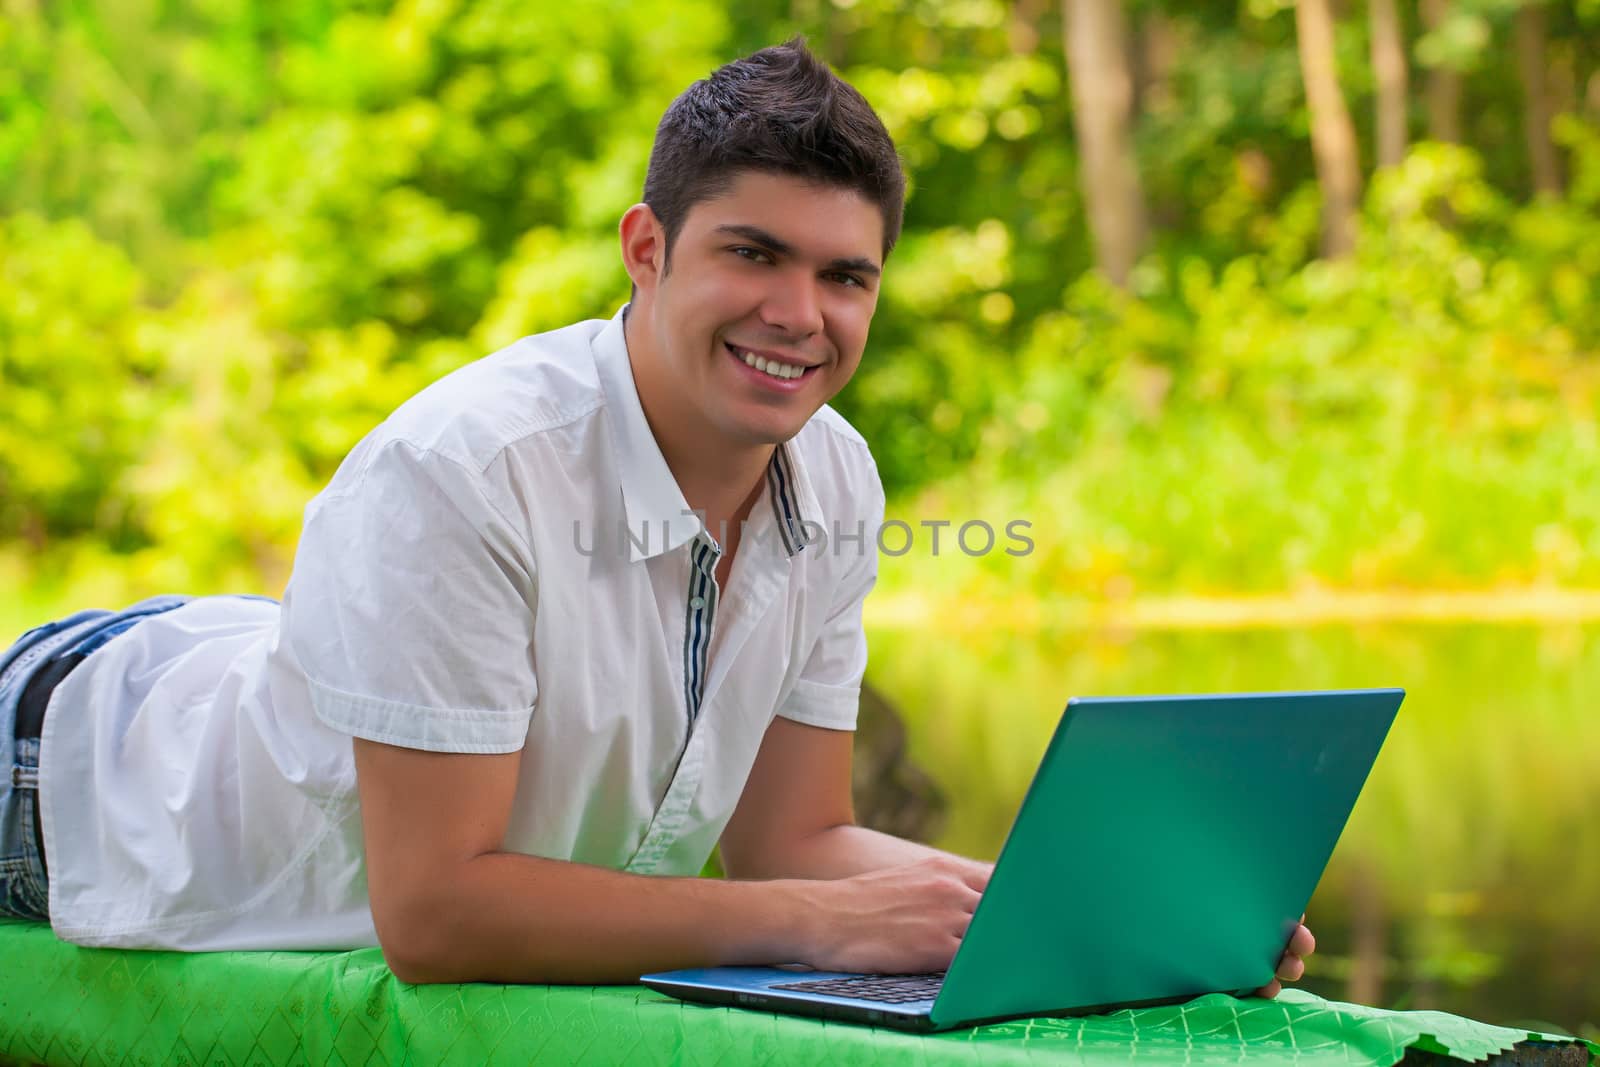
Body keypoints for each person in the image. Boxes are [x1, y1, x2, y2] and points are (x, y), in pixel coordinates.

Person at [0, 39, 1314, 992]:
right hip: (65, 772)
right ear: (647, 249)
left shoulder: (836, 476)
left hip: (242, 664)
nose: (801, 314)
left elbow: (790, 837)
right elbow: (438, 917)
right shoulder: (463, 470)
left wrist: (1088, 911)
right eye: (754, 254)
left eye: (845, 276)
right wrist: (821, 925)